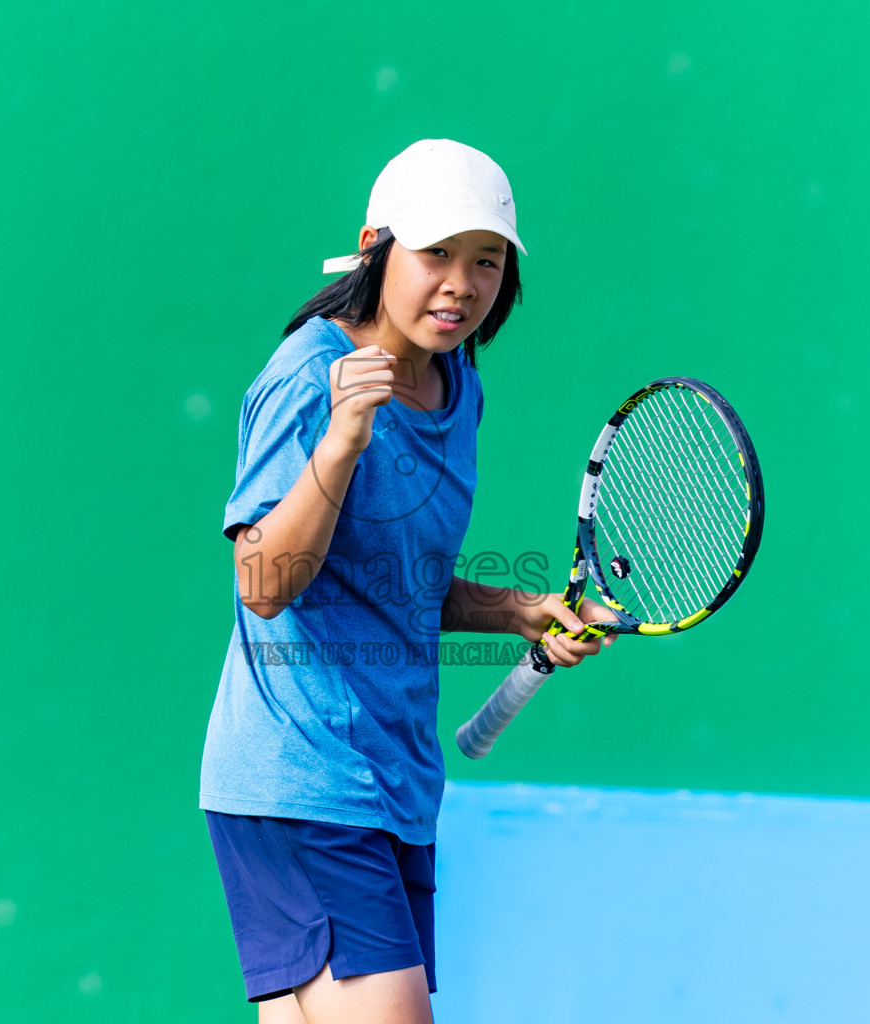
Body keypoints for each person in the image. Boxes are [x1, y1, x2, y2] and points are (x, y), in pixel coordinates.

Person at [201, 139, 617, 1024]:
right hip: (304, 777)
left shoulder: (456, 383)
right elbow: (265, 581)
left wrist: (517, 610)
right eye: (436, 255)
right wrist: (341, 442)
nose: (461, 285)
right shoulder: (308, 377)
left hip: (393, 783)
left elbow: (395, 582)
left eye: (487, 262)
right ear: (374, 246)